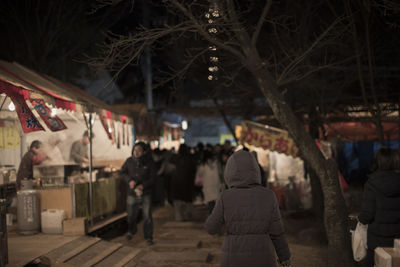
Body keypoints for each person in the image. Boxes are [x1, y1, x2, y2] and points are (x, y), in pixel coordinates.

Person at [205, 150, 291, 267]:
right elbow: (277, 233)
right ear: (255, 170)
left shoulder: (226, 197)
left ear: (229, 172)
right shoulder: (268, 196)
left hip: (233, 260)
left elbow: (211, 228)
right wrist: (285, 258)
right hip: (264, 259)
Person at [358, 147, 400, 267]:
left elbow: (367, 215)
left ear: (378, 162)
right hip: (397, 239)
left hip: (377, 240)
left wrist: (359, 218)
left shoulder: (371, 184)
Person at [120, 142, 155, 245]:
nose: (136, 152)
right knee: (131, 215)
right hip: (132, 193)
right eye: (135, 150)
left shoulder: (149, 162)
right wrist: (129, 180)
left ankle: (148, 237)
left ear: (144, 152)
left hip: (145, 193)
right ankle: (132, 230)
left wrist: (143, 185)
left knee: (147, 215)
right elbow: (123, 172)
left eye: (139, 150)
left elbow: (153, 178)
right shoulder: (129, 161)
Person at [170, 144, 196, 221]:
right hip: (188, 182)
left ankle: (179, 217)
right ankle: (188, 216)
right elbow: (194, 170)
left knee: (178, 202)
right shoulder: (190, 158)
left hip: (177, 182)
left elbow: (171, 169)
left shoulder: (175, 158)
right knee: (188, 201)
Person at [196, 149, 221, 214]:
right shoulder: (216, 162)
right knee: (216, 201)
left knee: (210, 201)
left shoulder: (203, 164)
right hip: (216, 184)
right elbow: (220, 172)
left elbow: (199, 173)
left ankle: (212, 216)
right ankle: (215, 215)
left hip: (208, 185)